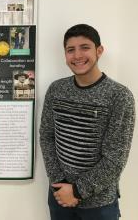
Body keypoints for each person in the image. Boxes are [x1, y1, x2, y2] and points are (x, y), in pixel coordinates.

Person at [39, 24, 135, 220]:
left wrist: (76, 191)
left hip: (99, 205)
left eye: (85, 47)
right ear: (65, 55)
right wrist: (60, 183)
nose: (77, 55)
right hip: (59, 196)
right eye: (70, 49)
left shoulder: (119, 96)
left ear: (99, 51)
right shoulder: (56, 90)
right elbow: (46, 136)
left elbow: (115, 159)